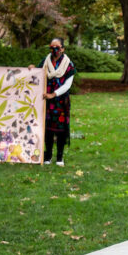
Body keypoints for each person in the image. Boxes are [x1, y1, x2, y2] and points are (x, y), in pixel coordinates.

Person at [41, 37, 75, 165]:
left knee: (61, 130)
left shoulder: (68, 65)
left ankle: (60, 157)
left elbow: (67, 85)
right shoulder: (45, 62)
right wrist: (31, 68)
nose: (54, 50)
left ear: (62, 49)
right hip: (46, 101)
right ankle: (48, 155)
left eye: (57, 47)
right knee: (48, 129)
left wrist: (53, 94)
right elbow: (37, 73)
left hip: (61, 101)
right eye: (52, 47)